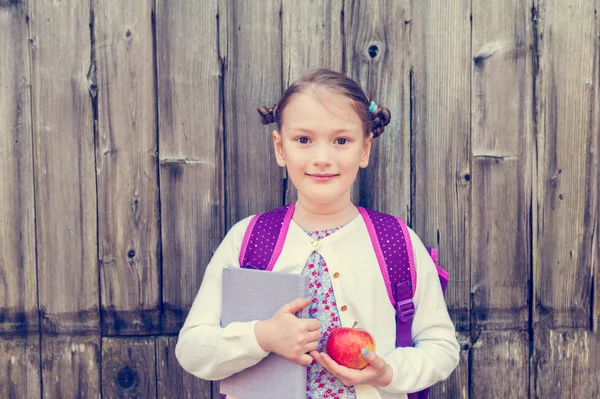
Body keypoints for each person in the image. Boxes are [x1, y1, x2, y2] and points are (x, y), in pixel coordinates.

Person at [176, 68, 460, 399]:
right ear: (280, 148)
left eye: (341, 140)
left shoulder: (396, 241)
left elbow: (442, 348)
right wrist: (262, 337)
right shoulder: (250, 239)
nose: (322, 158)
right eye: (304, 140)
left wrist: (388, 373)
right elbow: (192, 349)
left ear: (365, 149)